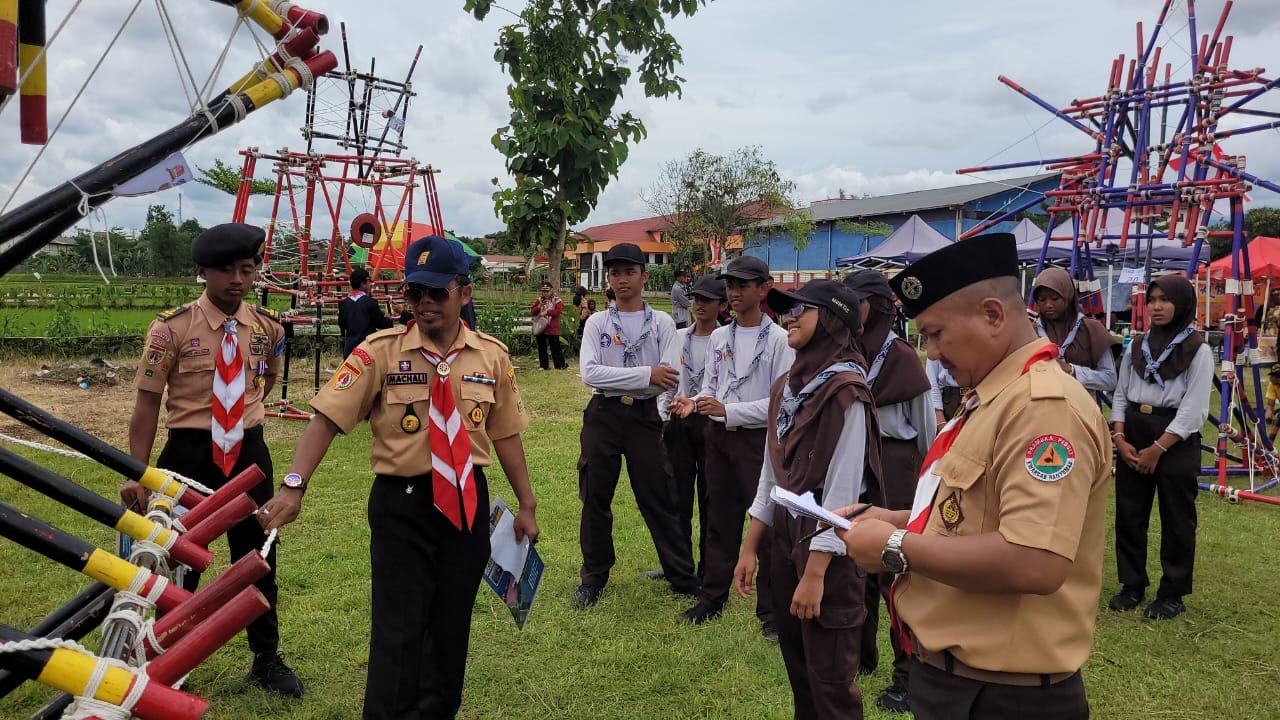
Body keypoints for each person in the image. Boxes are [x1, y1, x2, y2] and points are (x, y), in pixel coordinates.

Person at [258, 235, 539, 719]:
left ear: (464, 294)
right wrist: (292, 486)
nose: (424, 305)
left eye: (436, 293)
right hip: (403, 503)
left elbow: (506, 434)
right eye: (414, 293)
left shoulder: (491, 356)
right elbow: (325, 418)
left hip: (468, 502)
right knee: (400, 629)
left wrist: (527, 503)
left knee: (451, 628)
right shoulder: (380, 352)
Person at [838, 232, 1112, 720]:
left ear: (992, 315)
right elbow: (970, 517)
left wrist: (895, 546)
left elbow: (1035, 560)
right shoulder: (995, 395)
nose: (933, 354)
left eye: (938, 334)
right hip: (957, 681)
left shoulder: (1041, 408)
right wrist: (893, 518)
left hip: (1003, 696)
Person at [120, 223, 302, 697]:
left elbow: (265, 383)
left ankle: (266, 657)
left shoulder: (269, 329)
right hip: (188, 455)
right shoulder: (170, 328)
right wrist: (137, 474)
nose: (237, 279)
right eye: (225, 270)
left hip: (248, 455)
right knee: (178, 564)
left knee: (260, 555)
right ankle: (165, 661)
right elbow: (147, 404)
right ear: (202, 271)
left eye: (247, 269)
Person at [734, 279, 881, 720]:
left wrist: (816, 573)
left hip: (830, 558)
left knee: (831, 683)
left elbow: (843, 492)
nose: (790, 316)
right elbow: (770, 472)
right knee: (799, 673)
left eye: (804, 309)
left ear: (833, 319)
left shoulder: (846, 393)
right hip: (785, 543)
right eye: (788, 308)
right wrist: (749, 547)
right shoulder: (787, 386)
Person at [669, 256, 793, 632]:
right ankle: (712, 597)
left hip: (757, 441)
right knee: (719, 518)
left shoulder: (780, 340)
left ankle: (770, 611)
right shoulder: (722, 335)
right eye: (730, 286)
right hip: (718, 437)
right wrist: (696, 402)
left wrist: (729, 410)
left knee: (765, 522)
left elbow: (779, 403)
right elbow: (711, 383)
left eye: (743, 285)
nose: (734, 292)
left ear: (764, 288)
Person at [574, 242, 700, 608]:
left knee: (658, 495)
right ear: (608, 279)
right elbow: (590, 373)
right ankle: (593, 577)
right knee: (596, 496)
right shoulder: (598, 322)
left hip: (644, 416)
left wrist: (638, 379)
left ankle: (681, 575)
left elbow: (669, 377)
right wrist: (646, 373)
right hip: (603, 415)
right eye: (615, 273)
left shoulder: (661, 322)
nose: (622, 279)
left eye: (629, 272)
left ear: (644, 276)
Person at [843, 269, 936, 713]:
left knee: (893, 572)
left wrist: (921, 484)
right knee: (856, 559)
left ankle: (907, 675)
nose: (848, 310)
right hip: (857, 458)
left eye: (856, 301)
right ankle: (861, 656)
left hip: (897, 464)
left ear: (878, 305)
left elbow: (926, 430)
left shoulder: (902, 357)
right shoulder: (846, 351)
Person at [1108, 274, 1213, 621]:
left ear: (1181, 304)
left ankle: (1172, 592)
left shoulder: (1198, 349)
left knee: (1177, 517)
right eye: (1152, 299)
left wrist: (1158, 448)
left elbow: (1194, 409)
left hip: (1174, 439)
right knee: (1130, 514)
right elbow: (1121, 393)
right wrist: (1120, 437)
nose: (1156, 306)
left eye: (1165, 300)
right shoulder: (1137, 345)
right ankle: (1132, 584)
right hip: (1134, 431)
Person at [657, 275, 727, 582]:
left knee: (711, 499)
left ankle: (708, 569)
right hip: (680, 421)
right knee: (677, 498)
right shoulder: (679, 335)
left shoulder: (726, 339)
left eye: (707, 301)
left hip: (712, 422)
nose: (699, 305)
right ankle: (679, 565)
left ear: (722, 305)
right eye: (696, 299)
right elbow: (669, 379)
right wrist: (663, 415)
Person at [1030, 267, 1119, 394]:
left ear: (1068, 296)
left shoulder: (1091, 329)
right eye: (1042, 300)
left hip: (1082, 409)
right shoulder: (1031, 332)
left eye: (1055, 298)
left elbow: (1110, 380)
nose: (1048, 304)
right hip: (1041, 409)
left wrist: (1072, 370)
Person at [339, 266, 394, 358]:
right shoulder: (370, 302)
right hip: (367, 348)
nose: (369, 285)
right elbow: (381, 324)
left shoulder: (343, 304)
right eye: (368, 282)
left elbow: (342, 325)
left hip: (350, 350)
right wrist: (389, 319)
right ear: (362, 283)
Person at [531, 280, 568, 370]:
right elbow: (532, 311)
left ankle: (560, 365)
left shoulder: (557, 300)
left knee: (555, 347)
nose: (545, 293)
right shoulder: (539, 300)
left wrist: (547, 312)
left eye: (547, 291)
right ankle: (544, 365)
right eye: (543, 291)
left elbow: (557, 312)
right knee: (542, 347)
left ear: (551, 290)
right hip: (541, 327)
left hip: (552, 327)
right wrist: (539, 306)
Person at [926, 358, 965, 426]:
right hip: (949, 402)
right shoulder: (937, 349)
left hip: (977, 396)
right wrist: (940, 418)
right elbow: (932, 383)